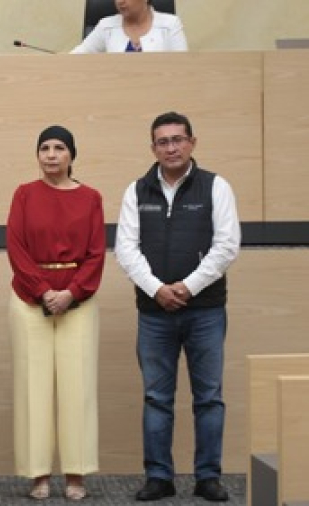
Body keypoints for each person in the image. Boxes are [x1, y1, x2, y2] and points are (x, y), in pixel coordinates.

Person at [115, 112, 240, 502]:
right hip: (154, 314)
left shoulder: (216, 186)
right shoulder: (136, 191)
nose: (171, 148)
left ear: (192, 143)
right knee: (157, 398)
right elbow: (125, 249)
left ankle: (208, 478)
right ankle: (158, 477)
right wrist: (157, 290)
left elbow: (227, 246)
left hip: (206, 312)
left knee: (209, 397)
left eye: (178, 140)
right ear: (153, 148)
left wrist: (187, 287)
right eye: (163, 142)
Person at [6, 126, 105, 501]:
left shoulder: (91, 198)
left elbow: (96, 253)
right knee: (33, 388)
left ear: (71, 155)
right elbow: (16, 246)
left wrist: (71, 293)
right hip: (30, 300)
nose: (51, 154)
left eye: (59, 147)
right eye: (44, 148)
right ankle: (39, 474)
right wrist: (43, 291)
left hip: (77, 302)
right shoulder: (24, 194)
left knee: (77, 387)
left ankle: (76, 474)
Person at [72, 0, 187, 53]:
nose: (119, 2)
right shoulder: (106, 26)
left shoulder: (170, 25)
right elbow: (75, 58)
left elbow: (184, 69)